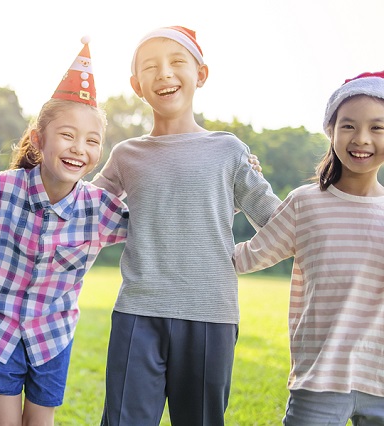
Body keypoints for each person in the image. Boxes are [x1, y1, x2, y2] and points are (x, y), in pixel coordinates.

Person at [93, 26, 282, 426]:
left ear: (202, 74)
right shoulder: (127, 154)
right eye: (151, 67)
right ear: (136, 85)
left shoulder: (229, 150)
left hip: (211, 315)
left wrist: (241, 258)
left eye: (177, 62)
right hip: (138, 312)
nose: (164, 73)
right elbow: (86, 212)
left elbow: (277, 222)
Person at [0, 39, 129, 426]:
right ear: (39, 139)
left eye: (91, 140)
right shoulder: (4, 189)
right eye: (67, 135)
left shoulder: (100, 209)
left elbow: (159, 223)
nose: (78, 148)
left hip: (53, 335)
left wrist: (224, 188)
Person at [234, 71, 384, 425]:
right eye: (348, 126)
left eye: (377, 127)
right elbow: (246, 257)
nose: (361, 139)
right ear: (330, 131)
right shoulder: (305, 204)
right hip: (319, 380)